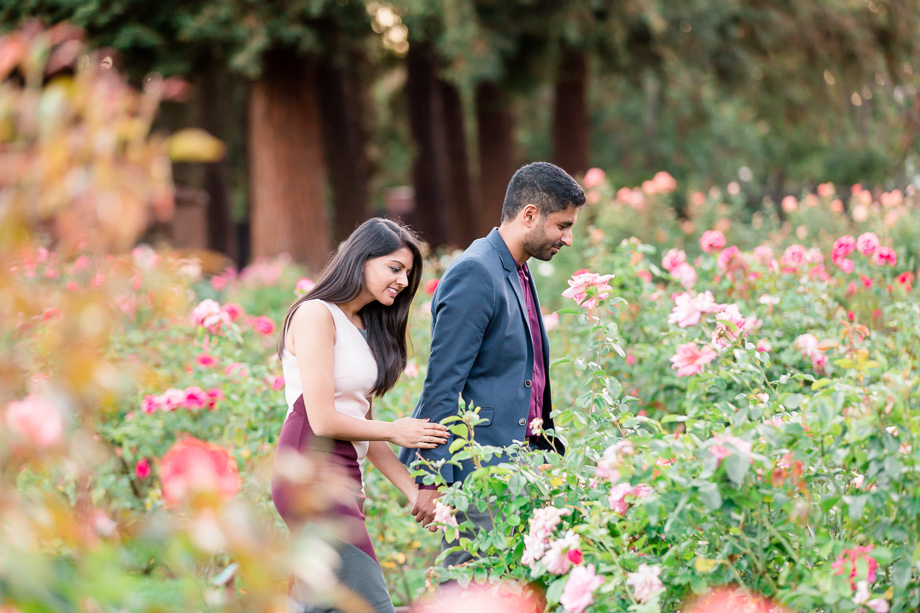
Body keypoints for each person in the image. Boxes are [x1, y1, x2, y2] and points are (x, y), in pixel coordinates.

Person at [399, 161, 586, 565]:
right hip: (479, 474)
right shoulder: (476, 272)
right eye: (563, 225)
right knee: (469, 593)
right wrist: (431, 480)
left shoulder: (517, 269)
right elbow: (442, 386)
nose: (568, 238)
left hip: (522, 470)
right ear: (530, 215)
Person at [271, 218, 449, 613]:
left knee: (319, 603)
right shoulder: (316, 314)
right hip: (310, 469)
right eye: (395, 268)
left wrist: (412, 490)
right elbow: (322, 419)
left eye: (408, 273)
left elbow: (362, 427)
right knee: (370, 603)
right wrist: (396, 430)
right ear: (361, 259)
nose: (403, 281)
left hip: (343, 473)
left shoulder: (361, 327)